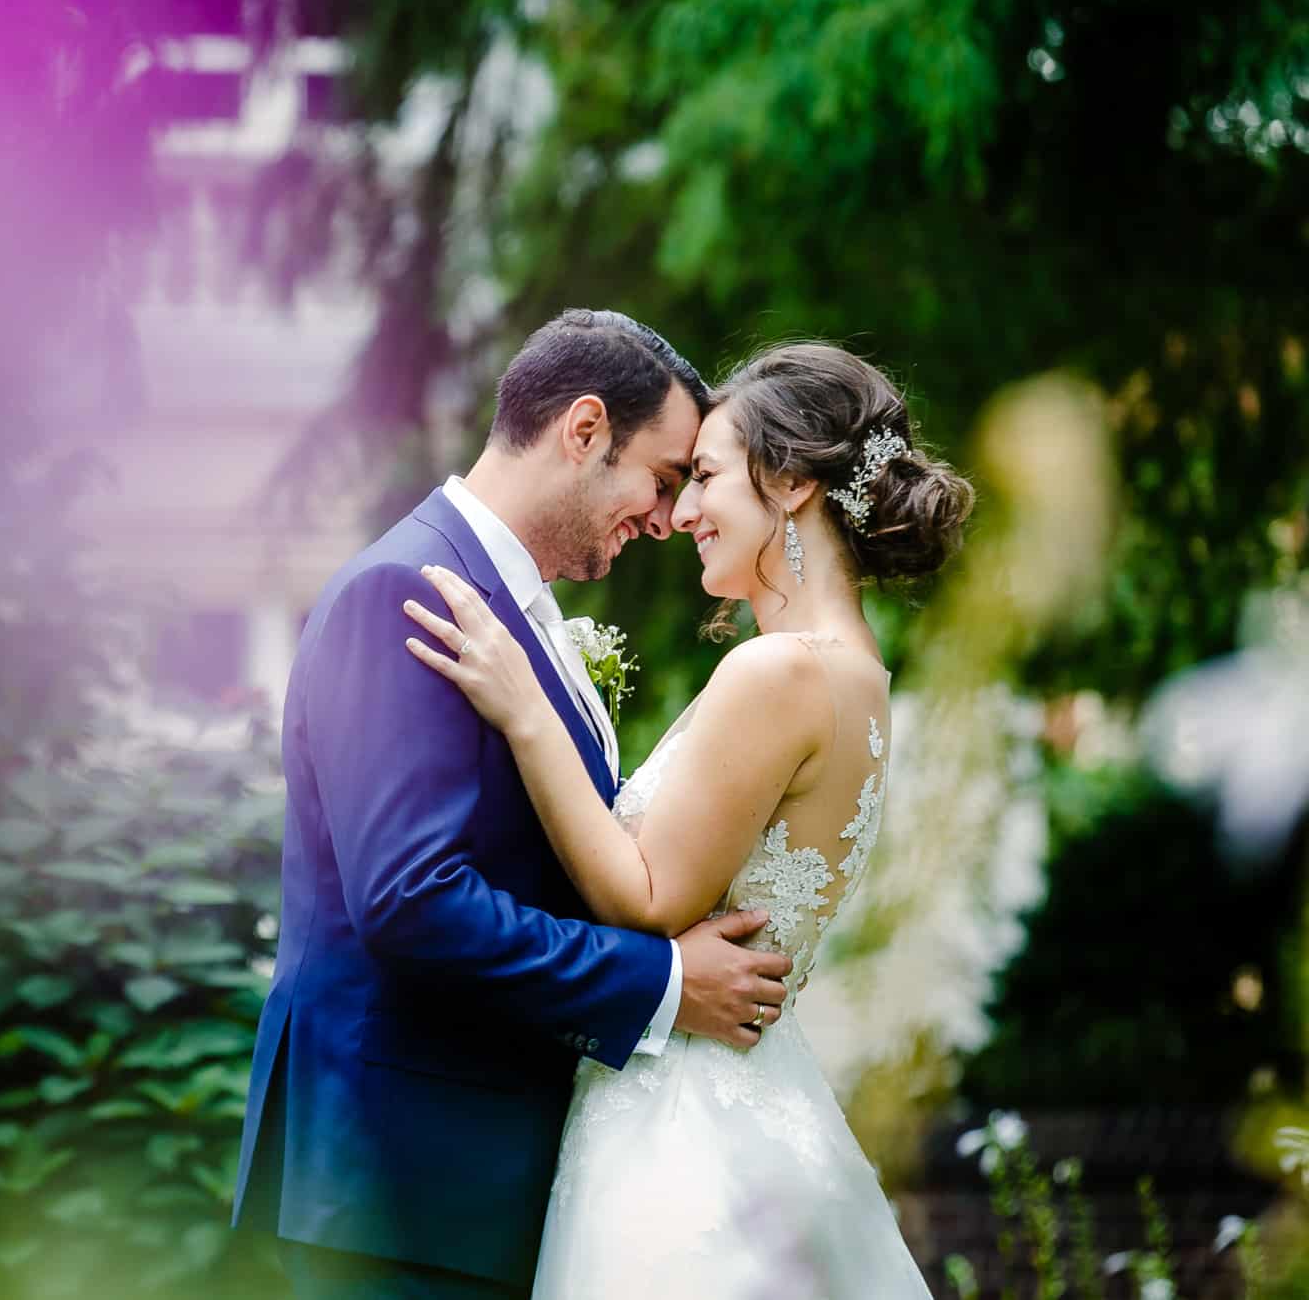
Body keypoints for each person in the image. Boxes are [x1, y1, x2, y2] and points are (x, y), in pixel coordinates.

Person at [233, 310, 796, 1300]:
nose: (665, 519)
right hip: (399, 1183)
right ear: (582, 431)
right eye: (661, 480)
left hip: (460, 1180)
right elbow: (412, 899)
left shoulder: (499, 599)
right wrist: (662, 983)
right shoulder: (404, 592)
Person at [402, 340, 975, 1297]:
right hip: (763, 1104)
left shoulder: (778, 671)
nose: (682, 514)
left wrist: (525, 709)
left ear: (790, 482)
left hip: (683, 1136)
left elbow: (648, 899)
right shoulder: (858, 673)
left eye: (704, 476)